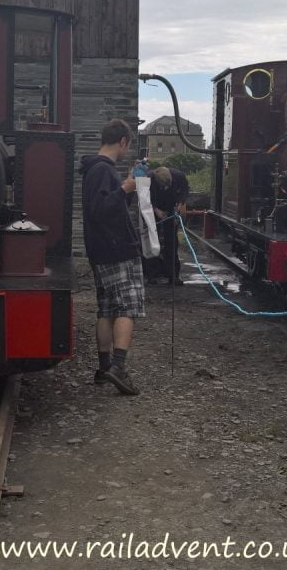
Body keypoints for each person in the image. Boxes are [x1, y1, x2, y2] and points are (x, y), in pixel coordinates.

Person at [79, 119, 144, 395]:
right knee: (127, 307)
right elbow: (102, 209)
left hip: (100, 250)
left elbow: (105, 208)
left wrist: (123, 190)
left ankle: (104, 367)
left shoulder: (93, 169)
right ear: (123, 142)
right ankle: (118, 367)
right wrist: (126, 189)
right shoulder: (104, 170)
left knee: (106, 309)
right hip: (117, 250)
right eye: (127, 146)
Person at [146, 166, 189, 285]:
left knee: (172, 241)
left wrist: (179, 206)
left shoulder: (179, 176)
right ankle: (151, 275)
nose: (165, 188)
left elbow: (185, 190)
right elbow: (144, 197)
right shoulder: (149, 178)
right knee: (152, 240)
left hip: (172, 207)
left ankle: (173, 275)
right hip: (152, 208)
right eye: (163, 186)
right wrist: (156, 210)